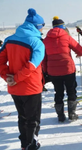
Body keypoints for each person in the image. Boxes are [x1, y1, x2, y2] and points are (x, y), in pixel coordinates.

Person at [0, 8, 44, 150]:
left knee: (22, 117)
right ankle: (31, 144)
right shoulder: (37, 43)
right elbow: (32, 65)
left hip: (15, 88)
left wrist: (8, 77)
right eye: (42, 26)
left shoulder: (9, 39)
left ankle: (24, 144)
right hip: (31, 87)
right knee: (33, 119)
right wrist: (16, 78)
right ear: (37, 27)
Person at [43, 16, 82, 122]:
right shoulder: (66, 37)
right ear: (63, 27)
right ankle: (72, 114)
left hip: (53, 71)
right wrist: (78, 54)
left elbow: (43, 58)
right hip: (68, 69)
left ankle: (60, 116)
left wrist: (46, 70)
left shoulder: (46, 40)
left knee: (58, 92)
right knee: (71, 90)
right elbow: (81, 50)